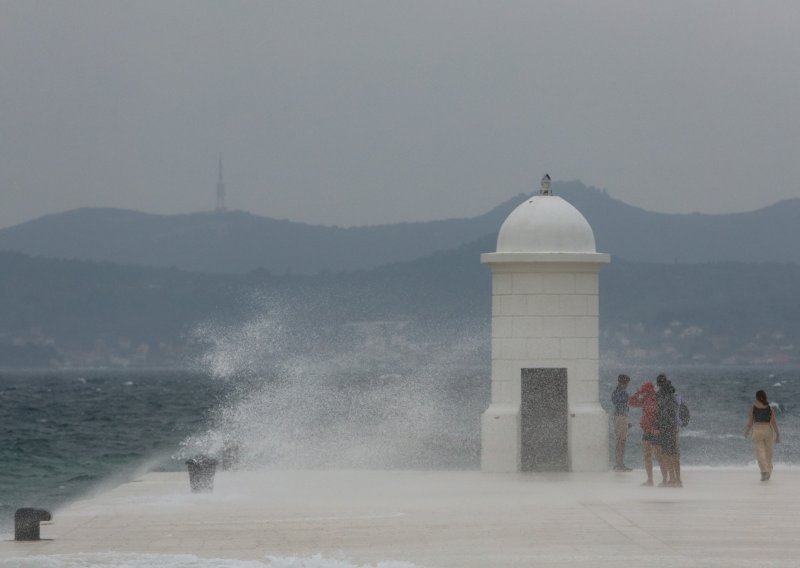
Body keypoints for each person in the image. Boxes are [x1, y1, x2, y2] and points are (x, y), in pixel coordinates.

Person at [744, 390, 780, 481]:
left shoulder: (753, 407)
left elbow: (750, 422)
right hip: (768, 430)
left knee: (760, 452)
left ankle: (764, 471)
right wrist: (777, 434)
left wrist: (747, 432)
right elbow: (774, 423)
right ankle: (768, 471)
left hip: (757, 430)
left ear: (757, 397)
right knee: (769, 453)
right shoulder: (769, 408)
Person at [629, 381, 659, 486]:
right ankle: (650, 479)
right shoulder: (645, 399)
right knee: (647, 455)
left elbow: (660, 415)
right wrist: (637, 393)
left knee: (659, 456)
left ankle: (667, 477)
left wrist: (657, 428)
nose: (644, 392)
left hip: (655, 431)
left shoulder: (657, 399)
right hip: (646, 431)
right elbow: (631, 403)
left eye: (645, 390)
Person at [655, 374, 681, 487]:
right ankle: (677, 480)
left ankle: (672, 480)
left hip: (666, 428)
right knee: (674, 454)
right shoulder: (673, 394)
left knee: (666, 454)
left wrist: (658, 426)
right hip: (673, 428)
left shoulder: (661, 395)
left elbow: (661, 413)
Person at [611, 374, 632, 471]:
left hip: (620, 417)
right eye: (626, 383)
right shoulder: (622, 393)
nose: (627, 385)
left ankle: (619, 463)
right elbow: (624, 405)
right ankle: (619, 464)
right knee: (621, 441)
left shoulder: (616, 392)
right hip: (621, 417)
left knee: (620, 441)